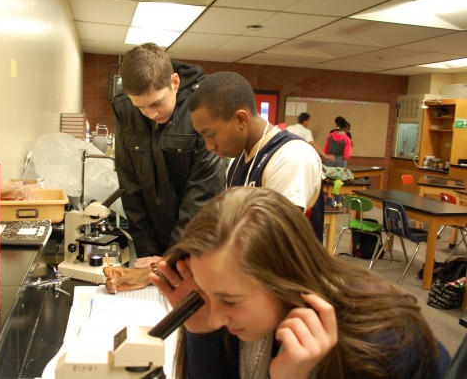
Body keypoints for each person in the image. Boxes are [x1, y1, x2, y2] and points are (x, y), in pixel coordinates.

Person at [151, 187, 451, 379]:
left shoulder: (379, 346)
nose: (215, 316)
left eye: (229, 300)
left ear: (285, 279)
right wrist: (200, 331)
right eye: (205, 293)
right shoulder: (244, 317)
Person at [107, 42, 226, 291]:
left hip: (194, 242)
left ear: (174, 82)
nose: (150, 114)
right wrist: (149, 259)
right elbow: (131, 187)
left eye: (157, 104)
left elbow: (201, 196)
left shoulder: (203, 107)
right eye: (141, 107)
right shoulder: (124, 107)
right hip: (152, 242)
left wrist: (170, 260)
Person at [188, 71, 324, 239]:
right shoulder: (237, 160)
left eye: (210, 134)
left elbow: (275, 242)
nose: (209, 146)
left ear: (241, 119)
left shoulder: (292, 156)